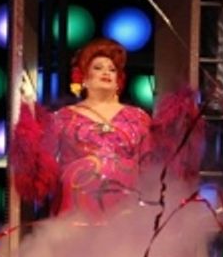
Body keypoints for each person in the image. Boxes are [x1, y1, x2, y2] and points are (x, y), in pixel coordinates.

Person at [10, 37, 203, 219]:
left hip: (125, 215)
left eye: (112, 69)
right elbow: (42, 171)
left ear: (119, 80)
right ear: (83, 77)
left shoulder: (138, 118)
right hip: (75, 214)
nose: (106, 72)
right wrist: (28, 120)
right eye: (98, 67)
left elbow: (151, 168)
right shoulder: (62, 118)